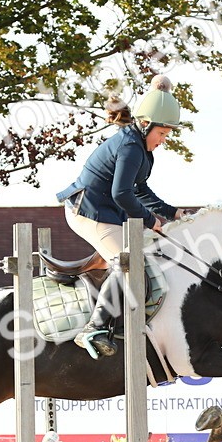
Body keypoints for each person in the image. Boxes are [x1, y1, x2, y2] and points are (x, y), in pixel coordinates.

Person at [56, 74, 182, 359]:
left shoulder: (140, 147)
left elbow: (140, 190)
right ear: (146, 124)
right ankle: (93, 327)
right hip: (87, 212)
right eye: (162, 134)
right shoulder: (130, 147)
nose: (163, 140)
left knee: (147, 254)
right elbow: (122, 195)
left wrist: (171, 212)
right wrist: (153, 222)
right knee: (128, 262)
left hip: (105, 211)